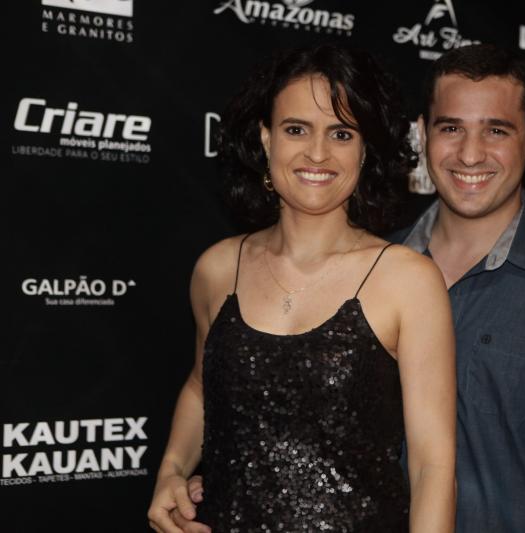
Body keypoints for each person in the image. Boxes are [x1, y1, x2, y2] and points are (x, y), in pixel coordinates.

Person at [169, 43, 525, 533]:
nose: (470, 153)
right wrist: (216, 475)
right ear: (421, 135)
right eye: (451, 128)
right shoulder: (380, 268)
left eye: (496, 130)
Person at [147, 44, 456, 533]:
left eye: (341, 133)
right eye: (296, 129)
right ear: (266, 138)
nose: (317, 153)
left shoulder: (407, 280)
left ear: (364, 150)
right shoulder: (218, 268)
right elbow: (200, 388)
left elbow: (432, 467)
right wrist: (171, 470)